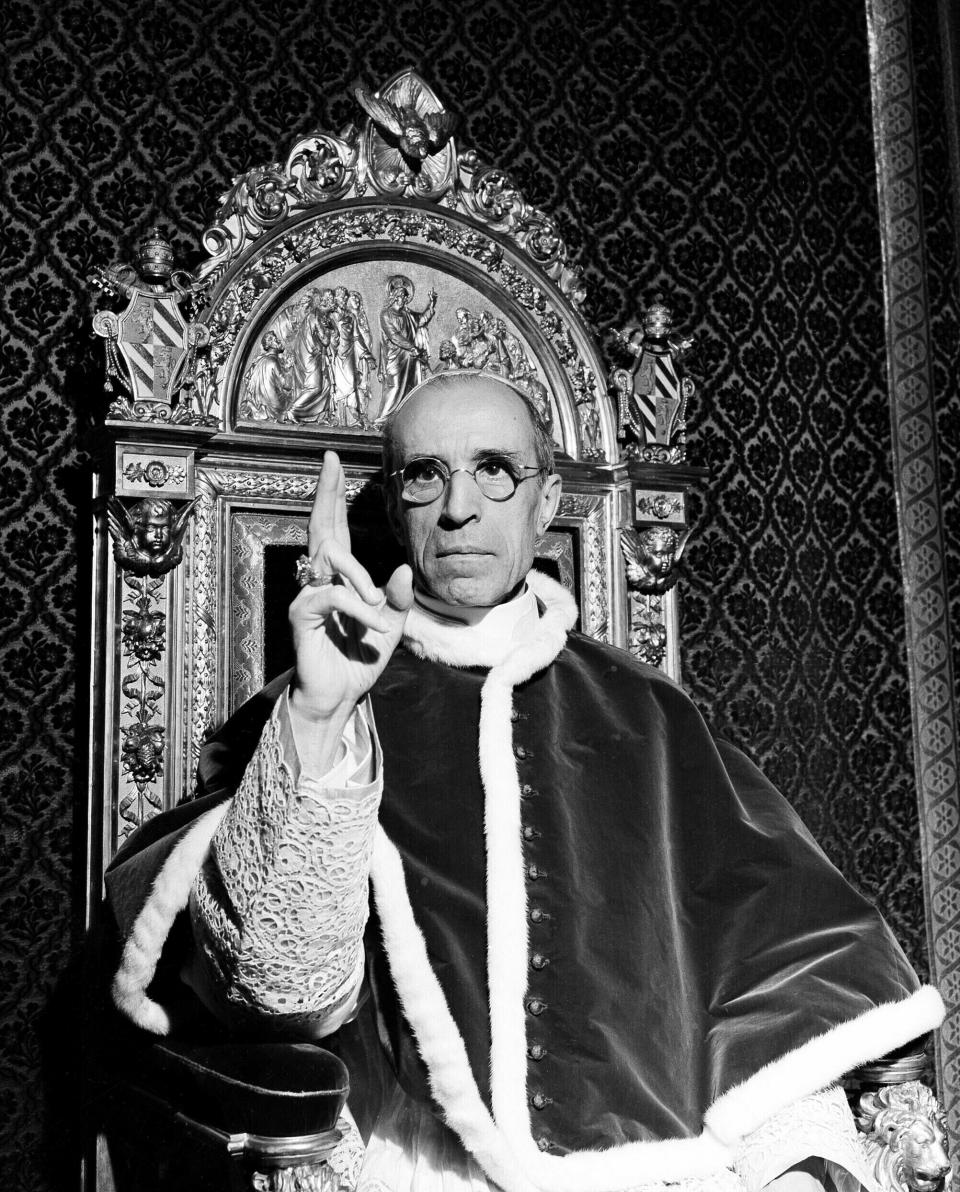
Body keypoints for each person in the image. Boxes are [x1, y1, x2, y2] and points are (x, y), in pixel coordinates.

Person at [105, 371, 944, 1192]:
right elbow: (279, 995)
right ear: (396, 507)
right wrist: (322, 717)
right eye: (426, 475)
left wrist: (796, 1161)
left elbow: (767, 961)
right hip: (426, 1161)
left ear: (547, 503)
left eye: (494, 470)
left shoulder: (645, 711)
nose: (459, 507)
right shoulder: (313, 709)